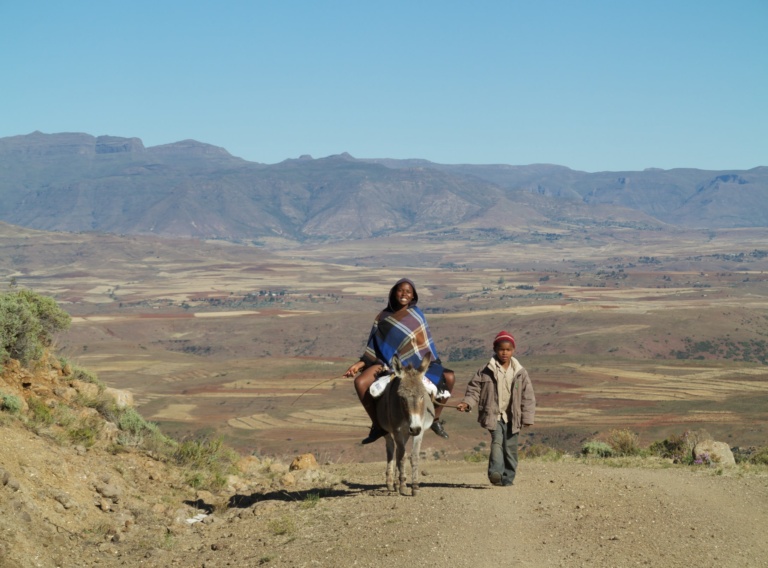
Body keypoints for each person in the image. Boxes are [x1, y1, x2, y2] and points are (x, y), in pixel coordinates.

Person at [344, 278, 455, 444]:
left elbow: (424, 345)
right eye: (400, 290)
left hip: (417, 364)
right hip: (388, 363)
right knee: (360, 382)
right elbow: (373, 346)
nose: (404, 294)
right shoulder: (382, 317)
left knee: (450, 377)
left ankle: (435, 420)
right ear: (393, 293)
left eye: (408, 292)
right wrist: (359, 364)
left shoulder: (417, 315)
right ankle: (378, 426)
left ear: (413, 296)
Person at [456, 331, 535, 486]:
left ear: (513, 350)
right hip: (494, 415)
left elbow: (528, 396)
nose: (504, 352)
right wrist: (467, 403)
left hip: (513, 417)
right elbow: (474, 390)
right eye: (501, 349)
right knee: (497, 442)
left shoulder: (520, 372)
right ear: (495, 349)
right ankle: (495, 473)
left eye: (508, 349)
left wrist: (528, 417)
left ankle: (507, 478)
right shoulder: (485, 370)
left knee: (510, 449)